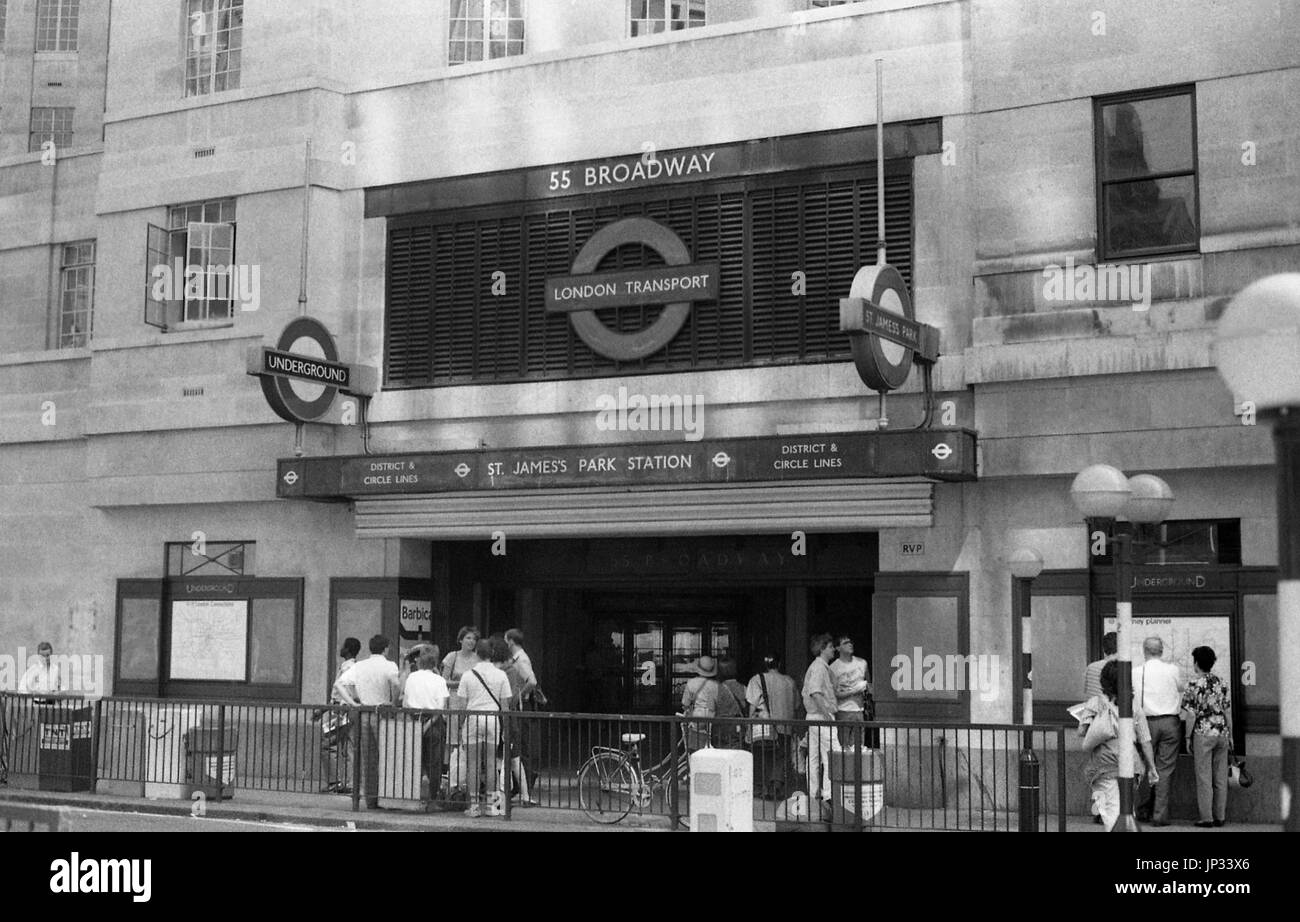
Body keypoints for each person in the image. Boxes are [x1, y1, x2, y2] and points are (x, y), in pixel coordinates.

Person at [1081, 659, 1159, 831]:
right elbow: (1145, 740)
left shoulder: (1095, 703)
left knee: (1108, 814)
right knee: (1126, 810)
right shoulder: (1134, 706)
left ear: (1104, 681)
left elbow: (1082, 731)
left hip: (1101, 767)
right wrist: (1152, 767)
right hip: (1131, 765)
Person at [334, 635, 400, 810]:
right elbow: (395, 683)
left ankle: (370, 799)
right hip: (382, 712)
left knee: (368, 758)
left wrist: (353, 703)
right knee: (385, 756)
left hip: (364, 711)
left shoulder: (360, 666)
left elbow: (339, 684)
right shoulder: (390, 665)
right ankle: (387, 797)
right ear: (385, 648)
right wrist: (393, 702)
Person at [458, 637, 513, 818]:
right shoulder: (501, 675)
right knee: (491, 762)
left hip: (473, 718)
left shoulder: (467, 675)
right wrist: (506, 728)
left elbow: (462, 706)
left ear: (477, 653)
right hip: (492, 719)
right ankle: (490, 805)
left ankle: (474, 806)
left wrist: (460, 726)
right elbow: (505, 706)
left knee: (473, 763)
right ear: (493, 654)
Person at [1133, 636, 1183, 826]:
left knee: (1142, 766)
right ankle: (1159, 815)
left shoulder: (1136, 672)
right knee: (1165, 769)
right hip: (1171, 723)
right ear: (1161, 651)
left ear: (1144, 651)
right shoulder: (1173, 670)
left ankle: (1139, 810)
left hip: (1145, 723)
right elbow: (1180, 688)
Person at [1181, 645, 1232, 828]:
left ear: (1196, 663)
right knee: (1220, 776)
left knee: (1204, 777)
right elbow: (1227, 710)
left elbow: (1191, 715)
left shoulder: (1193, 685)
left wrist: (1187, 738)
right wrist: (1230, 735)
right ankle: (1220, 816)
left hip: (1203, 732)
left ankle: (1206, 818)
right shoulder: (1222, 683)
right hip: (1222, 732)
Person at [747, 654, 799, 799]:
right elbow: (796, 705)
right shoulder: (790, 681)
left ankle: (762, 788)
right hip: (786, 725)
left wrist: (749, 723)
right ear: (780, 664)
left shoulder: (756, 680)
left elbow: (753, 704)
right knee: (780, 757)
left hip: (765, 727)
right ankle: (776, 787)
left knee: (762, 757)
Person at [403, 647, 449, 809]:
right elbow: (441, 707)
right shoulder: (440, 681)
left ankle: (413, 797)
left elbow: (406, 703)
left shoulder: (411, 678)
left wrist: (418, 724)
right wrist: (428, 724)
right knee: (434, 763)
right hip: (434, 723)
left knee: (413, 760)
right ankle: (433, 798)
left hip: (413, 720)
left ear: (419, 661)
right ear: (435, 662)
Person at [802, 633, 838, 822]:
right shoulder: (820, 668)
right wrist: (826, 714)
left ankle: (814, 793)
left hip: (813, 716)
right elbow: (816, 692)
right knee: (832, 755)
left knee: (814, 757)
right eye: (831, 646)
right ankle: (828, 795)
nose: (833, 649)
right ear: (823, 648)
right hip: (822, 716)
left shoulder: (816, 667)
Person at [318, 637, 360, 794]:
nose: (340, 648)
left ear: (348, 649)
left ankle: (335, 782)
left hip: (340, 710)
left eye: (343, 646)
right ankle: (350, 783)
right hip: (348, 710)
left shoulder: (347, 668)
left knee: (327, 743)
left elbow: (339, 693)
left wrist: (324, 710)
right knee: (349, 747)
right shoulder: (354, 667)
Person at [501, 631, 538, 806]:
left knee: (522, 747)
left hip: (522, 707)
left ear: (510, 641)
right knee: (519, 748)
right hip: (520, 706)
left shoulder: (521, 659)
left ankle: (526, 789)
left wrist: (519, 696)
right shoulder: (517, 659)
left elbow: (532, 681)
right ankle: (520, 789)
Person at [829, 635, 873, 749]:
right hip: (843, 710)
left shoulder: (862, 663)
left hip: (859, 710)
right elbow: (834, 694)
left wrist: (866, 688)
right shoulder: (833, 668)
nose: (850, 644)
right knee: (843, 747)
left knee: (859, 747)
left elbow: (869, 684)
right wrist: (854, 690)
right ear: (838, 648)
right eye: (845, 643)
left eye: (851, 642)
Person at [1083, 632, 1118, 699]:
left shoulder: (1091, 667)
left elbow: (1086, 692)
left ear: (1103, 649)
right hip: (1110, 708)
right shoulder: (1120, 670)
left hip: (1092, 707)